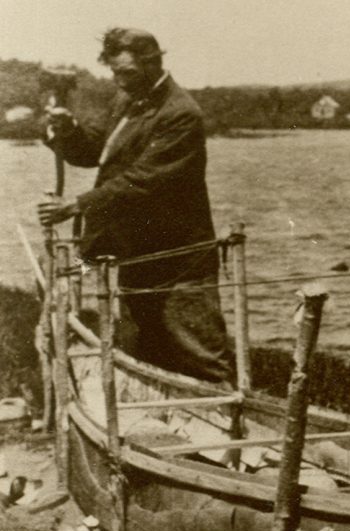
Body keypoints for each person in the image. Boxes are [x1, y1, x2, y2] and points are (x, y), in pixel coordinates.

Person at [38, 28, 232, 384]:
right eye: (114, 72)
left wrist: (76, 206)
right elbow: (97, 150)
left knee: (200, 354)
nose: (119, 81)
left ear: (153, 62)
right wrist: (67, 131)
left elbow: (143, 180)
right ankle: (159, 428)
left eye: (126, 72)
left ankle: (230, 425)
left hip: (178, 260)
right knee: (142, 352)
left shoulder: (181, 114)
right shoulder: (127, 98)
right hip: (134, 251)